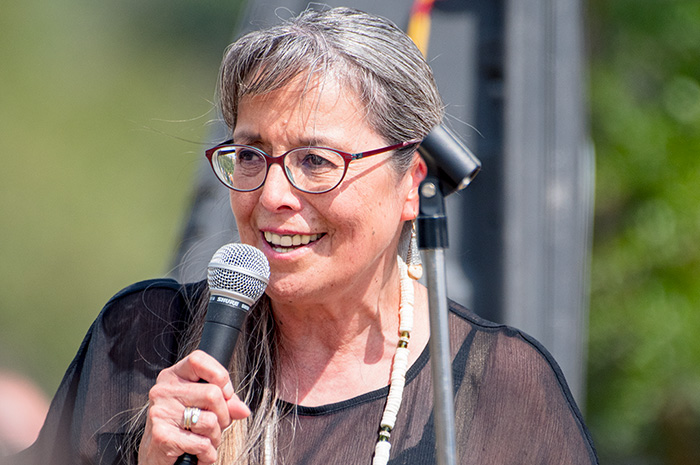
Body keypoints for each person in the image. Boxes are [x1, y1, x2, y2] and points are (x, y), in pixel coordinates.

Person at [11, 6, 598, 465]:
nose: (271, 195)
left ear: (410, 184)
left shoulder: (496, 388)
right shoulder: (140, 343)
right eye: (250, 154)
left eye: (316, 161)